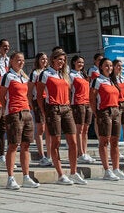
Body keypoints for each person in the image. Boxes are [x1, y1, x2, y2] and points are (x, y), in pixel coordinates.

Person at [37, 49, 87, 186]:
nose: (62, 62)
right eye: (59, 59)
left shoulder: (64, 74)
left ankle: (73, 172)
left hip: (66, 108)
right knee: (56, 142)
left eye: (64, 60)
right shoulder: (45, 74)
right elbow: (40, 95)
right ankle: (60, 174)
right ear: (53, 59)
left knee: (73, 142)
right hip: (53, 109)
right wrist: (44, 111)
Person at [0, 51, 40, 190]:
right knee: (13, 145)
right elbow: (1, 96)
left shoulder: (24, 77)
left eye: (22, 60)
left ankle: (26, 176)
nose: (21, 62)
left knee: (26, 145)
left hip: (26, 112)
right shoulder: (7, 76)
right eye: (18, 60)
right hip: (14, 113)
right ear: (11, 61)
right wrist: (8, 110)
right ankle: (10, 178)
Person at [91, 58, 124, 181]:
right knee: (104, 141)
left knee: (115, 141)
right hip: (104, 111)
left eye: (111, 66)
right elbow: (92, 98)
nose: (109, 68)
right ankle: (107, 170)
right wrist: (97, 113)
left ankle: (116, 169)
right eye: (106, 66)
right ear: (101, 67)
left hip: (116, 111)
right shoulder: (98, 80)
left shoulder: (113, 81)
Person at [69, 55, 93, 164]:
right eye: (79, 62)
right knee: (79, 129)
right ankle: (80, 153)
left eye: (82, 62)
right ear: (74, 62)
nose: (81, 64)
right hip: (78, 103)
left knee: (85, 129)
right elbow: (69, 91)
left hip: (87, 103)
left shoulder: (83, 75)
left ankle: (84, 152)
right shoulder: (71, 75)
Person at [29, 52, 51, 167]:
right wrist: (32, 106)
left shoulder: (48, 72)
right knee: (40, 129)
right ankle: (42, 155)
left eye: (46, 59)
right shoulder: (35, 73)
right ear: (38, 60)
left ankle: (50, 155)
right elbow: (29, 91)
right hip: (38, 101)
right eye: (42, 59)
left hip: (48, 101)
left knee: (49, 129)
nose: (44, 61)